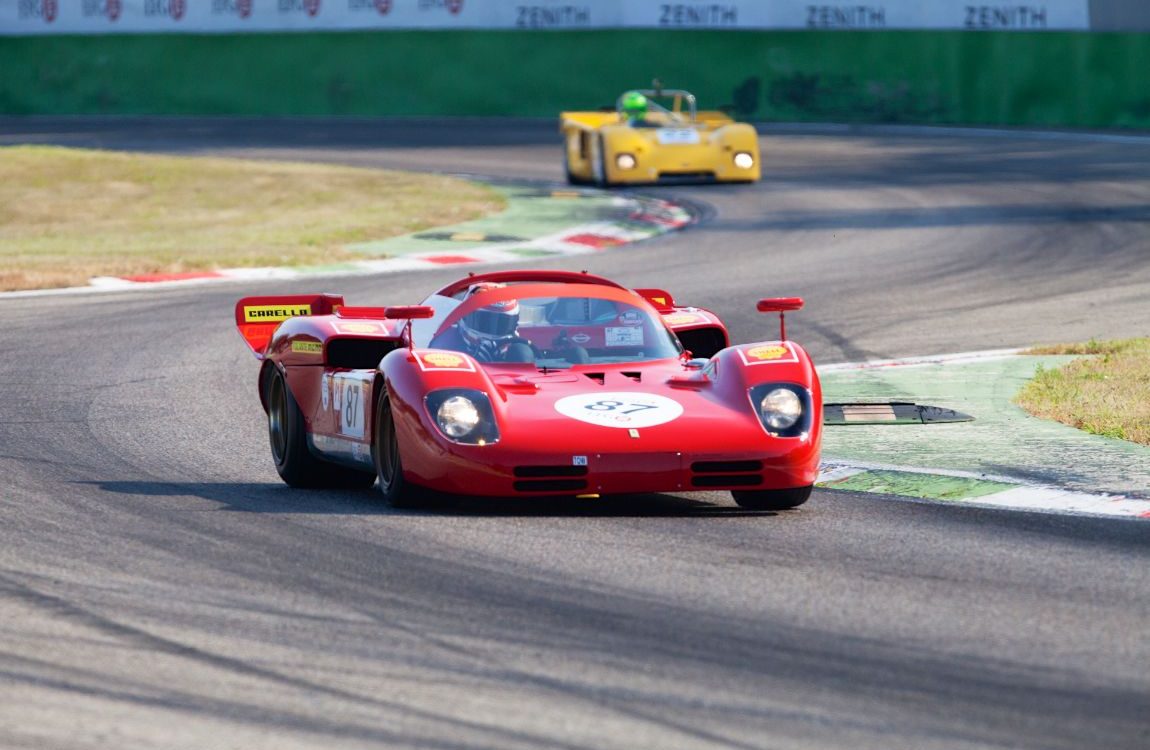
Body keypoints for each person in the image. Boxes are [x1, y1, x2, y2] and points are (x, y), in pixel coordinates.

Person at [438, 284, 534, 363]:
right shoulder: (445, 344)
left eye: (502, 324)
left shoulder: (520, 352)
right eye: (484, 322)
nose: (492, 330)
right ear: (464, 317)